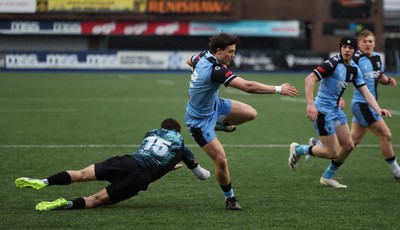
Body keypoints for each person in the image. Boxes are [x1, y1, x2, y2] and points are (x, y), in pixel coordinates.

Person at [184, 32, 299, 210]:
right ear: (219, 51)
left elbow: (188, 61)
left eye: (234, 51)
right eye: (230, 51)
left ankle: (219, 124)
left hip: (214, 105)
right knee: (221, 160)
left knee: (250, 113)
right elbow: (248, 86)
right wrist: (278, 89)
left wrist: (195, 84)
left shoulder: (202, 56)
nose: (233, 55)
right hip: (198, 121)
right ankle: (230, 198)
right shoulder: (216, 71)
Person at [15, 118, 210, 211]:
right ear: (178, 132)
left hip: (126, 161)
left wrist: (167, 164)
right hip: (139, 177)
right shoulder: (182, 147)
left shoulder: (150, 133)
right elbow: (201, 175)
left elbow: (152, 153)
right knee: (96, 200)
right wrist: (204, 171)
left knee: (81, 174)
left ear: (161, 128)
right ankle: (62, 204)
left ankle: (43, 181)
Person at [288, 36, 392, 188]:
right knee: (333, 153)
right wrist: (310, 104)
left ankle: (327, 177)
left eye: (350, 48)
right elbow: (309, 79)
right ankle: (299, 149)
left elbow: (366, 93)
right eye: (344, 47)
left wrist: (378, 108)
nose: (347, 50)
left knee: (349, 145)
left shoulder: (354, 69)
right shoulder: (332, 63)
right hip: (322, 112)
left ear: (355, 50)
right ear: (340, 48)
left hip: (336, 110)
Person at [351, 29, 400, 180]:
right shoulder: (355, 59)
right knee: (385, 135)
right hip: (363, 104)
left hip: (369, 104)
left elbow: (378, 75)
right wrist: (337, 97)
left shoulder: (377, 58)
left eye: (370, 41)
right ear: (359, 43)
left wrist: (387, 80)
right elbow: (343, 76)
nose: (367, 44)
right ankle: (397, 172)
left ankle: (311, 147)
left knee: (351, 142)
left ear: (374, 43)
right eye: (364, 41)